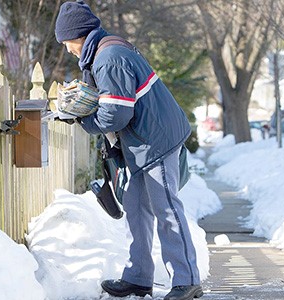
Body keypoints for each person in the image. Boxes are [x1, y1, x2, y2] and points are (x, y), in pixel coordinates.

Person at [54, 1, 203, 300]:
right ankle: (138, 277)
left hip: (155, 141)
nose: (67, 50)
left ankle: (187, 280)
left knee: (167, 210)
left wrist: (81, 118)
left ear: (78, 35)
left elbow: (116, 114)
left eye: (67, 42)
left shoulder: (109, 58)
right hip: (141, 141)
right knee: (135, 208)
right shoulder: (104, 52)